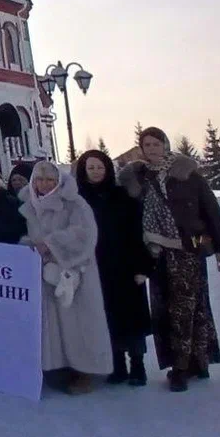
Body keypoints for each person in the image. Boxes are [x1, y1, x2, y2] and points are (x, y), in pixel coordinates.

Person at [119, 127, 220, 392]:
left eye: (156, 144)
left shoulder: (186, 173)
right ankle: (191, 362)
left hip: (188, 249)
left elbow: (210, 209)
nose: (152, 149)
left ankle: (184, 367)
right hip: (157, 252)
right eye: (147, 145)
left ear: (165, 145)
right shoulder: (139, 177)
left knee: (188, 308)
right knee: (167, 309)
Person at [19, 161, 113, 394]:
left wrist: (51, 244)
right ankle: (59, 368)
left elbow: (84, 234)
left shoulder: (74, 203)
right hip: (45, 272)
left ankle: (86, 371)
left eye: (50, 180)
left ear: (58, 181)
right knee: (53, 324)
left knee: (79, 324)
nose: (44, 184)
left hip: (75, 271)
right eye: (39, 180)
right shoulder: (30, 205)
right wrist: (28, 246)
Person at [75, 149, 153, 387]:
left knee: (131, 317)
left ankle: (137, 365)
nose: (96, 172)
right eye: (91, 167)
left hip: (125, 266)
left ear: (108, 169)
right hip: (95, 267)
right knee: (105, 316)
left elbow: (137, 232)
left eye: (100, 167)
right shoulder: (78, 200)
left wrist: (141, 266)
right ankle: (116, 364)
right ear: (83, 171)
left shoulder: (122, 196)